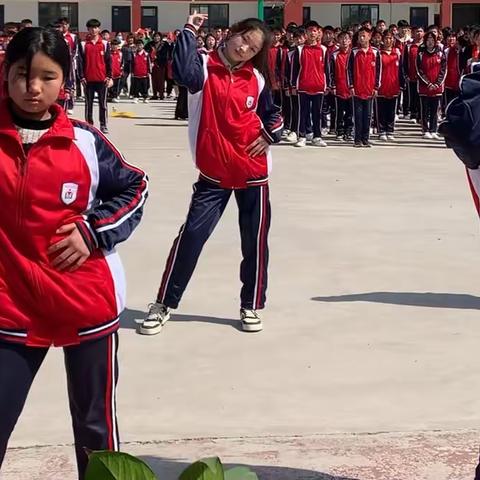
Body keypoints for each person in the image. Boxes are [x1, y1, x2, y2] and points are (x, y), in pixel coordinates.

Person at [0, 26, 147, 480]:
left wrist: (93, 231)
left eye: (47, 76)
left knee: (95, 432)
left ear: (65, 81)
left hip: (84, 302)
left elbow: (136, 187)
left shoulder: (84, 141)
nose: (33, 87)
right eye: (22, 74)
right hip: (10, 305)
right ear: (5, 75)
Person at [139, 13, 282, 335]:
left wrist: (270, 136)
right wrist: (189, 30)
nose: (244, 49)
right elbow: (181, 68)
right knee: (191, 236)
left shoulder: (255, 79)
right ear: (231, 34)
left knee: (254, 242)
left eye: (253, 48)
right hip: (214, 175)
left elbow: (272, 115)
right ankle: (164, 303)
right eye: (243, 39)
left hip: (253, 173)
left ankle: (251, 304)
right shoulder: (203, 70)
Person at [291, 20, 328, 147]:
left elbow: (327, 69)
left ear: (318, 33)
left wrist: (327, 84)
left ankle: (317, 136)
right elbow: (294, 69)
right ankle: (302, 136)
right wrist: (292, 85)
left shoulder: (323, 49)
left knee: (317, 113)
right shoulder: (300, 49)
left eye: (315, 30)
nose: (312, 33)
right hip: (303, 86)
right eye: (310, 30)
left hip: (318, 86)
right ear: (306, 33)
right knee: (303, 112)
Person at [348, 27, 381, 147]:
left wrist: (376, 87)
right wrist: (351, 85)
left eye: (364, 35)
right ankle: (357, 140)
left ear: (369, 36)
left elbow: (378, 71)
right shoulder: (354, 52)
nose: (361, 38)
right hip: (357, 89)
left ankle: (365, 139)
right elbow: (349, 70)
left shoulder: (376, 52)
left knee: (368, 116)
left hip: (370, 89)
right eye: (360, 36)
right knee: (358, 115)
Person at [78, 18, 112, 134]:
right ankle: (89, 125)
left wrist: (109, 76)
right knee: (89, 104)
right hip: (88, 80)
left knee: (103, 104)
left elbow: (108, 61)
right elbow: (80, 62)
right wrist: (81, 77)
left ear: (99, 29)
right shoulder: (83, 44)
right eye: (91, 27)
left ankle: (103, 124)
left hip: (102, 79)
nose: (94, 29)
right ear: (88, 29)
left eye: (96, 27)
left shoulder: (105, 44)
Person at [416, 31, 446, 139]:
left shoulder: (440, 54)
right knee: (424, 109)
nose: (430, 42)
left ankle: (433, 129)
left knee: (434, 110)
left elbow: (443, 70)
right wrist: (428, 83)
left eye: (432, 40)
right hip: (424, 88)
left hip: (437, 88)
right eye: (428, 40)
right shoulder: (420, 54)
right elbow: (419, 70)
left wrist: (437, 83)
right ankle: (425, 130)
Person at [377, 30, 404, 141]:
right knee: (381, 109)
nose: (389, 40)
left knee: (392, 110)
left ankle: (390, 130)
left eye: (391, 38)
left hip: (394, 86)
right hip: (382, 86)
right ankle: (381, 130)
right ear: (383, 40)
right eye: (387, 38)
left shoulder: (397, 53)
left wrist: (401, 85)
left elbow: (401, 70)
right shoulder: (378, 54)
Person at [329, 30, 353, 142]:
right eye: (342, 38)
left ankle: (349, 131)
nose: (344, 41)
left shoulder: (353, 54)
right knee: (338, 111)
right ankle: (339, 131)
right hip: (339, 87)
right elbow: (331, 72)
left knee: (350, 111)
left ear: (350, 40)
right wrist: (332, 85)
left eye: (346, 38)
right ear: (338, 40)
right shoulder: (334, 55)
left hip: (351, 88)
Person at [403, 26, 424, 122]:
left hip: (424, 77)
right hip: (412, 76)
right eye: (416, 31)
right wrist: (406, 74)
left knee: (422, 96)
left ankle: (421, 115)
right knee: (413, 95)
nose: (418, 33)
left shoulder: (426, 45)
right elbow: (405, 61)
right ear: (413, 33)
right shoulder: (408, 46)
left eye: (420, 31)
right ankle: (413, 113)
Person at [131, 38, 152, 103]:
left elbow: (149, 63)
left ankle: (145, 97)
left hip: (144, 74)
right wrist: (132, 71)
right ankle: (136, 97)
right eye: (138, 45)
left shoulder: (146, 54)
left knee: (145, 87)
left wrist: (149, 71)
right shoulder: (134, 54)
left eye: (140, 45)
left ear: (143, 45)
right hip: (136, 74)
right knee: (136, 86)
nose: (139, 46)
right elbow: (132, 63)